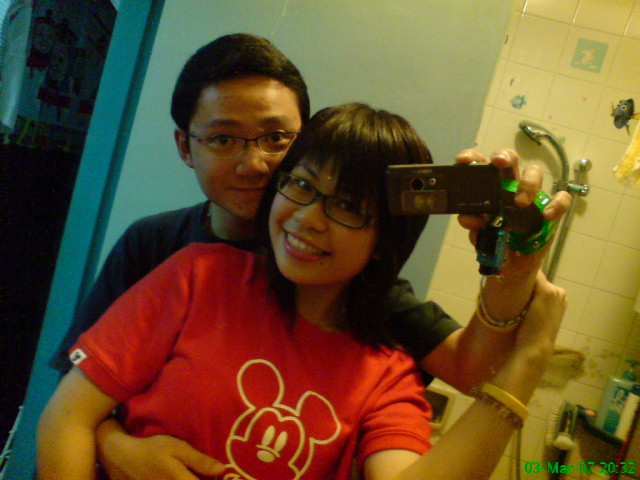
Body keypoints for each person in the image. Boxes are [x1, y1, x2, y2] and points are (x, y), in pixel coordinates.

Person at [48, 33, 572, 478]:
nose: (254, 164)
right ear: (186, 146)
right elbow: (73, 403)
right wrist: (120, 449)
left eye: (275, 138)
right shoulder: (181, 262)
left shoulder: (381, 353)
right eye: (224, 138)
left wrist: (516, 279)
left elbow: (470, 367)